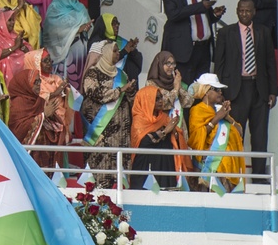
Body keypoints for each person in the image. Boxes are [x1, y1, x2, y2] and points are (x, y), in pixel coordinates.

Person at [214, 0, 277, 183]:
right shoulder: (226, 32)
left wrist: (273, 90)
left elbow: (270, 64)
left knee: (259, 135)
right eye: (241, 11)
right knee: (235, 133)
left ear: (254, 12)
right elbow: (219, 64)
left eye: (248, 11)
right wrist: (219, 91)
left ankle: (258, 177)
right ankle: (234, 177)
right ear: (236, 11)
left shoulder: (263, 32)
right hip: (235, 90)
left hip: (259, 89)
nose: (244, 14)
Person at [130, 51, 193, 189]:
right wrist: (176, 89)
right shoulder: (151, 83)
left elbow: (188, 101)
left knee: (175, 160)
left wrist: (178, 86)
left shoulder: (175, 82)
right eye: (167, 63)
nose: (171, 67)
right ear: (159, 64)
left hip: (174, 125)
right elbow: (164, 102)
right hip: (158, 126)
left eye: (173, 63)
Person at [80, 41, 137, 187]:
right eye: (115, 51)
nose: (118, 54)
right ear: (105, 53)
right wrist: (120, 90)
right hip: (101, 133)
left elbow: (132, 100)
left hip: (121, 134)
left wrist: (130, 91)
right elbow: (94, 92)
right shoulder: (93, 73)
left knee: (119, 177)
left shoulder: (121, 74)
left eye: (118, 51)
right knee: (101, 176)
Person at [8, 49, 68, 170]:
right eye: (35, 83)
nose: (38, 86)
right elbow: (19, 129)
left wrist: (52, 119)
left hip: (42, 153)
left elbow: (52, 120)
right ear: (25, 84)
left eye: (39, 82)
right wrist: (43, 116)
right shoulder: (18, 104)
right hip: (30, 155)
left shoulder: (38, 100)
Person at [188, 73, 246, 191]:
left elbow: (239, 132)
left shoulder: (220, 111)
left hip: (230, 166)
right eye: (216, 89)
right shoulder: (197, 111)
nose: (220, 92)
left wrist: (227, 117)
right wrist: (216, 119)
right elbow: (196, 138)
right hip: (211, 165)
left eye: (220, 90)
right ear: (206, 91)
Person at [40, 0, 91, 90]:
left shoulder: (81, 8)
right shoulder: (55, 8)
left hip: (79, 55)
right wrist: (77, 30)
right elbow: (52, 32)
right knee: (63, 89)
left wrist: (86, 29)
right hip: (62, 58)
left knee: (77, 89)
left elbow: (87, 28)